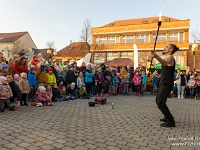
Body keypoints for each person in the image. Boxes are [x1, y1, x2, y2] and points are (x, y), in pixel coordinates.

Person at [152, 44, 178, 127]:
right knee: (158, 100)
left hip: (166, 83)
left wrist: (156, 56)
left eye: (167, 47)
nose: (164, 48)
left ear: (171, 50)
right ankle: (167, 117)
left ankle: (170, 121)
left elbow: (164, 63)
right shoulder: (167, 57)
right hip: (164, 82)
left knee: (160, 102)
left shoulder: (170, 57)